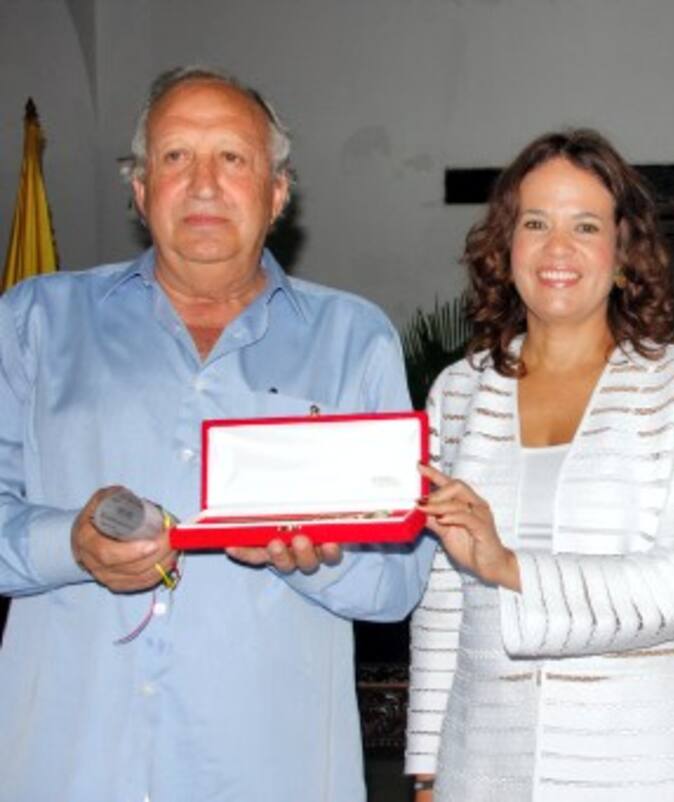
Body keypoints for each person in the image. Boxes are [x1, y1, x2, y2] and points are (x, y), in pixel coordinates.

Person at [0, 66, 434, 802]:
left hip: (271, 771)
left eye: (232, 157)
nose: (203, 183)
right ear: (140, 191)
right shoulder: (34, 322)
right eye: (175, 157)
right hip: (68, 766)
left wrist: (317, 559)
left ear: (277, 193)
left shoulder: (351, 337)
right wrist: (68, 543)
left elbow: (398, 581)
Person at [403, 129, 674, 801]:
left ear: (622, 253)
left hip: (651, 764)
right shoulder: (459, 392)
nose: (557, 248)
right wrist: (426, 769)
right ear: (507, 249)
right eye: (536, 223)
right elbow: (442, 597)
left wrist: (509, 567)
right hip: (486, 763)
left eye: (585, 226)